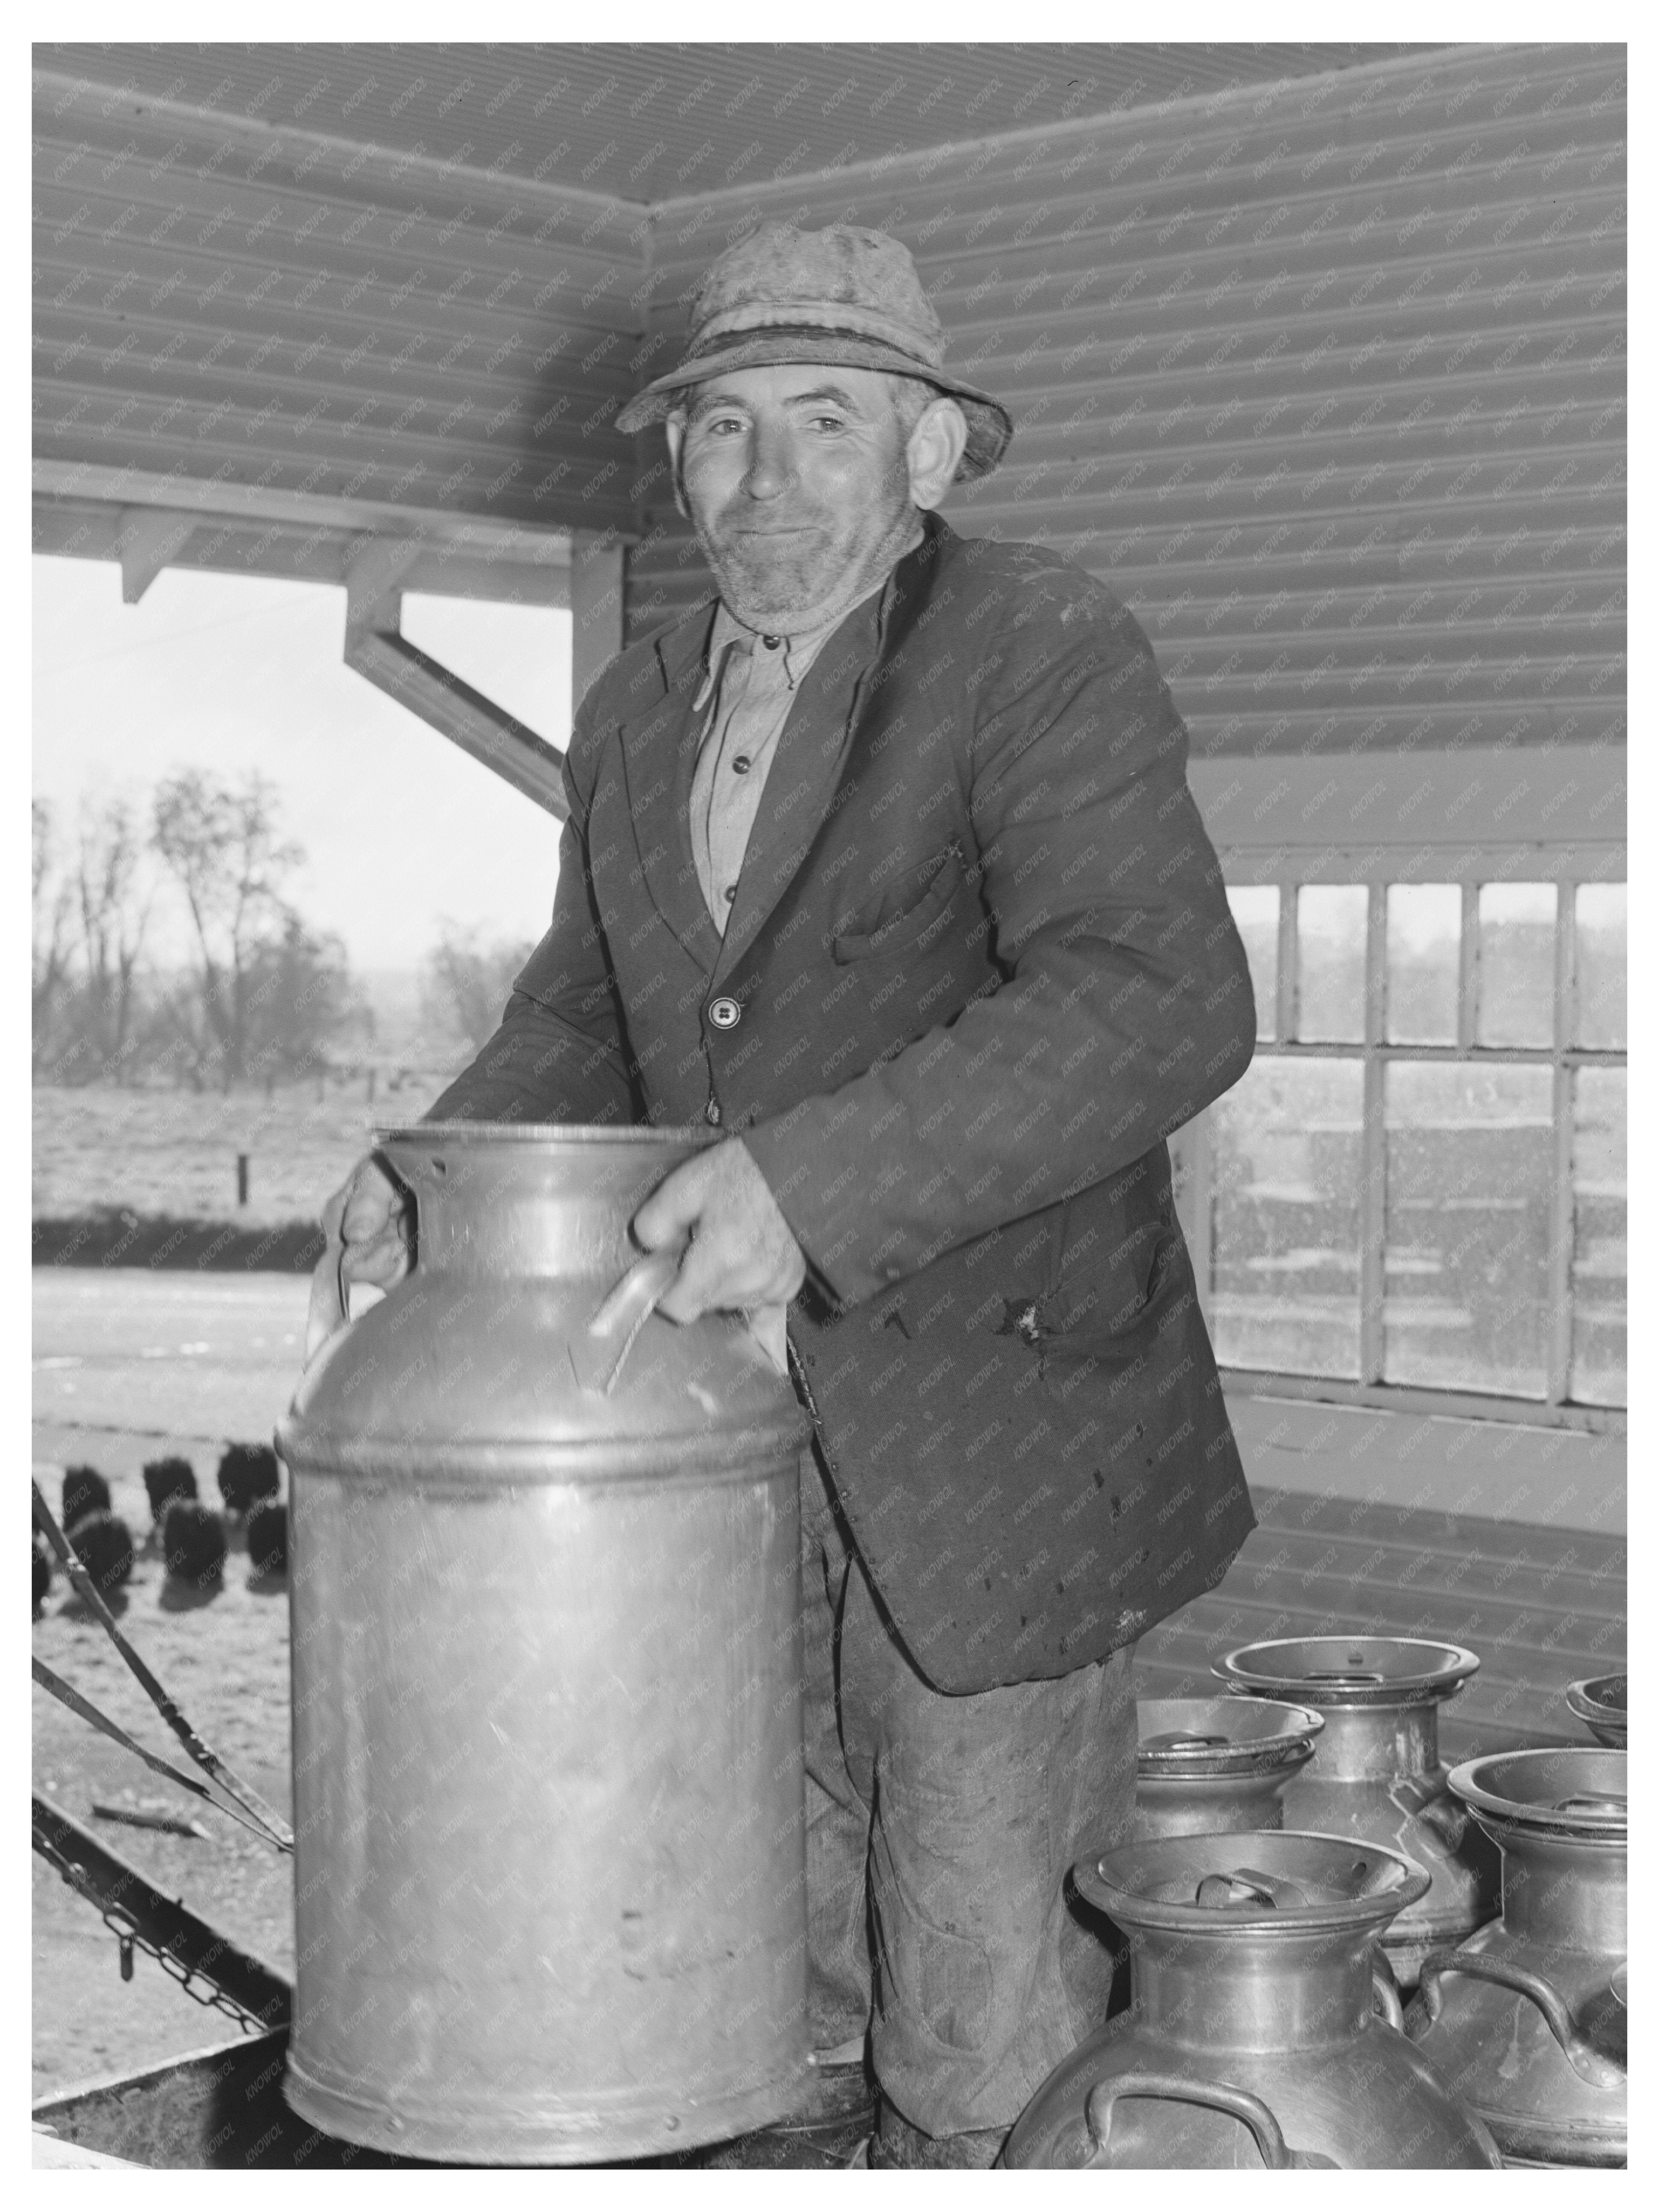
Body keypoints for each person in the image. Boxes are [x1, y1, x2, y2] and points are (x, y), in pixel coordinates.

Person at [312, 223, 1258, 2168]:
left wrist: (808, 1187)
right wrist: (442, 1180)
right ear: (676, 463)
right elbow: (588, 1013)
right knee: (774, 1968)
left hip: (1002, 1459)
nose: (764, 480)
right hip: (734, 1448)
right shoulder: (645, 704)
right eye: (723, 429)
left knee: (983, 2029)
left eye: (826, 423)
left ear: (929, 457)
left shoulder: (1037, 648)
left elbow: (1161, 1003)